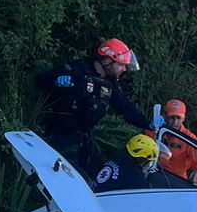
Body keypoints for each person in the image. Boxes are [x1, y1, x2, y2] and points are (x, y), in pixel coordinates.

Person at [35, 38, 148, 176]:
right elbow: (42, 81)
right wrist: (56, 83)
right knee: (55, 174)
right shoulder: (77, 70)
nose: (124, 69)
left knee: (93, 176)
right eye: (120, 65)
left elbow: (126, 108)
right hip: (59, 133)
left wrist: (148, 123)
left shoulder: (110, 85)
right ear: (107, 61)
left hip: (85, 138)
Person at [151, 98, 197, 186]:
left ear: (183, 118)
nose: (175, 122)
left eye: (178, 118)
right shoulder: (154, 130)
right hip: (154, 175)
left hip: (177, 181)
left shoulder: (189, 138)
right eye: (171, 118)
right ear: (165, 115)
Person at [92, 133, 163, 190]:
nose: (149, 165)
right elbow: (143, 200)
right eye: (149, 161)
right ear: (142, 159)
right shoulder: (135, 177)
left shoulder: (114, 157)